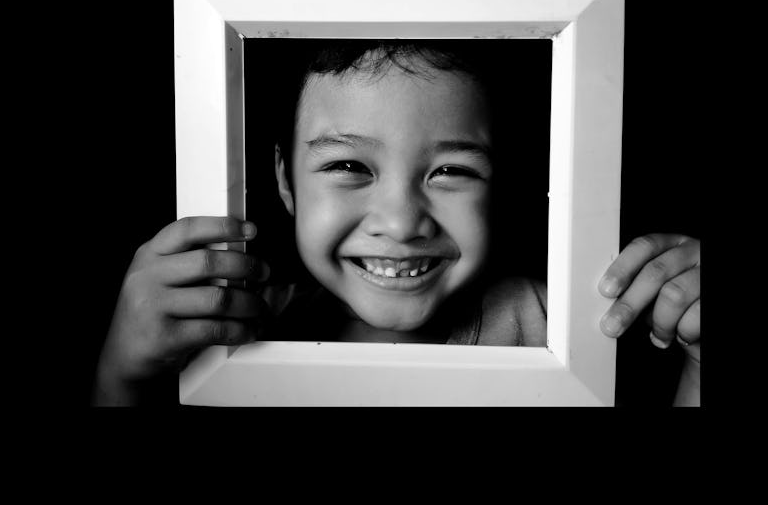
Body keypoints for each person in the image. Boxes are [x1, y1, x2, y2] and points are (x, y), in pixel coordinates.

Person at [92, 41, 700, 406]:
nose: (402, 221)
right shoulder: (236, 330)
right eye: (349, 165)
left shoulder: (566, 328)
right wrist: (121, 376)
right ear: (285, 183)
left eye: (450, 170)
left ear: (504, 185)